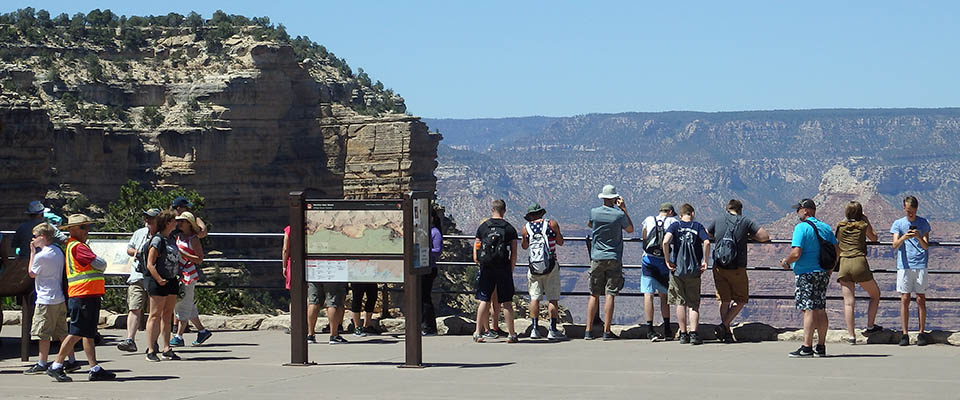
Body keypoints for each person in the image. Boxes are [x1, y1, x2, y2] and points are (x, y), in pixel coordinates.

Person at [46, 214, 116, 382]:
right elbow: (100, 264)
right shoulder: (78, 247)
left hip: (86, 294)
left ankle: (94, 368)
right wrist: (102, 262)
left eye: (87, 226)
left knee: (88, 333)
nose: (87, 230)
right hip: (83, 294)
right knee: (77, 331)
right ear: (73, 230)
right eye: (83, 227)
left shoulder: (73, 245)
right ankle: (56, 365)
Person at [706, 199, 770, 343]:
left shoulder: (718, 220)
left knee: (724, 300)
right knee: (740, 300)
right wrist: (749, 236)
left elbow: (707, 235)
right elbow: (765, 237)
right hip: (737, 267)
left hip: (718, 267)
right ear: (740, 209)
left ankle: (726, 333)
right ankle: (724, 326)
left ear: (727, 209)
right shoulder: (745, 221)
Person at [779, 199, 837, 358]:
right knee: (820, 307)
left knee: (809, 308)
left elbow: (797, 253)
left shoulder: (801, 227)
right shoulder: (825, 227)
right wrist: (829, 270)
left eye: (798, 209)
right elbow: (836, 251)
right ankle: (821, 346)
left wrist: (786, 262)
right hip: (823, 272)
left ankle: (807, 347)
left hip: (806, 273)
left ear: (806, 210)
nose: (797, 212)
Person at [24, 223, 80, 375]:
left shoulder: (41, 256)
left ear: (42, 237)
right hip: (59, 297)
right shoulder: (58, 251)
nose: (33, 239)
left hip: (45, 299)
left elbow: (31, 272)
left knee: (43, 333)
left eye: (35, 236)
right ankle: (72, 360)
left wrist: (32, 253)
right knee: (62, 332)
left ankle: (42, 362)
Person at [586, 185, 634, 341]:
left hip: (597, 257)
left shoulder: (594, 212)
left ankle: (588, 331)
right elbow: (630, 229)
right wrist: (624, 209)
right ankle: (607, 331)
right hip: (614, 257)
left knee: (594, 294)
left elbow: (590, 224)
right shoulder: (619, 215)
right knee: (610, 294)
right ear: (614, 198)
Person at [662, 203, 710, 345]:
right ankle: (694, 334)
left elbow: (665, 242)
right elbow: (706, 242)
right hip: (694, 270)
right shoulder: (698, 226)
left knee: (680, 303)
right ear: (692, 213)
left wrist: (667, 260)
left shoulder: (675, 226)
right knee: (693, 304)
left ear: (681, 215)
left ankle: (683, 334)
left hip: (677, 270)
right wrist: (705, 261)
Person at [834, 201, 882, 344]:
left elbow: (836, 243)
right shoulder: (863, 226)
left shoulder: (840, 226)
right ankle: (870, 326)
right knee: (875, 294)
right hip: (859, 262)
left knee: (849, 303)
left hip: (844, 263)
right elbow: (874, 237)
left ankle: (851, 336)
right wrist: (867, 221)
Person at [472, 199, 519, 343]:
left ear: (492, 209)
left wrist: (480, 262)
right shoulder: (509, 228)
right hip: (503, 267)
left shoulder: (483, 227)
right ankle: (511, 334)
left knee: (484, 300)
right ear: (504, 210)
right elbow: (514, 253)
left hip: (486, 267)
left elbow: (476, 250)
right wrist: (510, 269)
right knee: (506, 301)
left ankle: (478, 332)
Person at [520, 203, 567, 340]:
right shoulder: (552, 224)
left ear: (530, 216)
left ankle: (535, 329)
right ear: (541, 213)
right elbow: (560, 242)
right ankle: (552, 330)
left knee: (534, 298)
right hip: (551, 266)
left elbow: (524, 246)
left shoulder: (526, 228)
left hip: (534, 267)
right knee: (552, 298)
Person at [117, 208, 161, 353]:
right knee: (134, 307)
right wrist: (136, 253)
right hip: (137, 275)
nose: (148, 220)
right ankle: (130, 339)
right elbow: (129, 248)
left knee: (154, 312)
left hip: (155, 276)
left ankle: (153, 342)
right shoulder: (139, 233)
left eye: (151, 218)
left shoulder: (162, 235)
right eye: (146, 217)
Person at [890, 195, 932, 346]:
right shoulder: (898, 224)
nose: (910, 214)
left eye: (912, 211)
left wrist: (919, 237)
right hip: (905, 265)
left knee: (921, 299)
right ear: (904, 208)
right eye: (908, 211)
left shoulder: (923, 223)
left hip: (920, 264)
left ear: (916, 209)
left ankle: (921, 332)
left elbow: (926, 246)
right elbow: (895, 245)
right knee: (905, 299)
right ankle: (905, 333)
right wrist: (904, 238)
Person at [143, 210, 183, 362]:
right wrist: (159, 279)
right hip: (158, 280)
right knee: (154, 314)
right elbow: (150, 263)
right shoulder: (157, 240)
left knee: (167, 314)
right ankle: (151, 349)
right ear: (167, 222)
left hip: (171, 280)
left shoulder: (171, 238)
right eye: (173, 220)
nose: (176, 222)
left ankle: (166, 348)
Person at [171, 212, 212, 347]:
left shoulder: (193, 239)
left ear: (189, 223)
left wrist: (183, 253)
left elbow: (200, 259)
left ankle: (179, 336)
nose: (179, 223)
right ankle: (202, 331)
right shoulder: (178, 236)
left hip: (188, 274)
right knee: (187, 304)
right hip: (179, 273)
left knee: (183, 304)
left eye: (182, 221)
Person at [640, 202, 678, 341]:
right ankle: (667, 328)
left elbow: (644, 238)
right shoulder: (673, 221)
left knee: (648, 294)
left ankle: (650, 330)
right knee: (664, 295)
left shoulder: (649, 219)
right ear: (669, 212)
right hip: (663, 261)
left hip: (648, 260)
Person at [421, 209, 443, 336]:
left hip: (429, 268)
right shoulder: (424, 232)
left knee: (425, 298)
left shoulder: (435, 232)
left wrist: (424, 251)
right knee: (422, 297)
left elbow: (438, 250)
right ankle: (424, 324)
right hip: (422, 268)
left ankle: (429, 326)